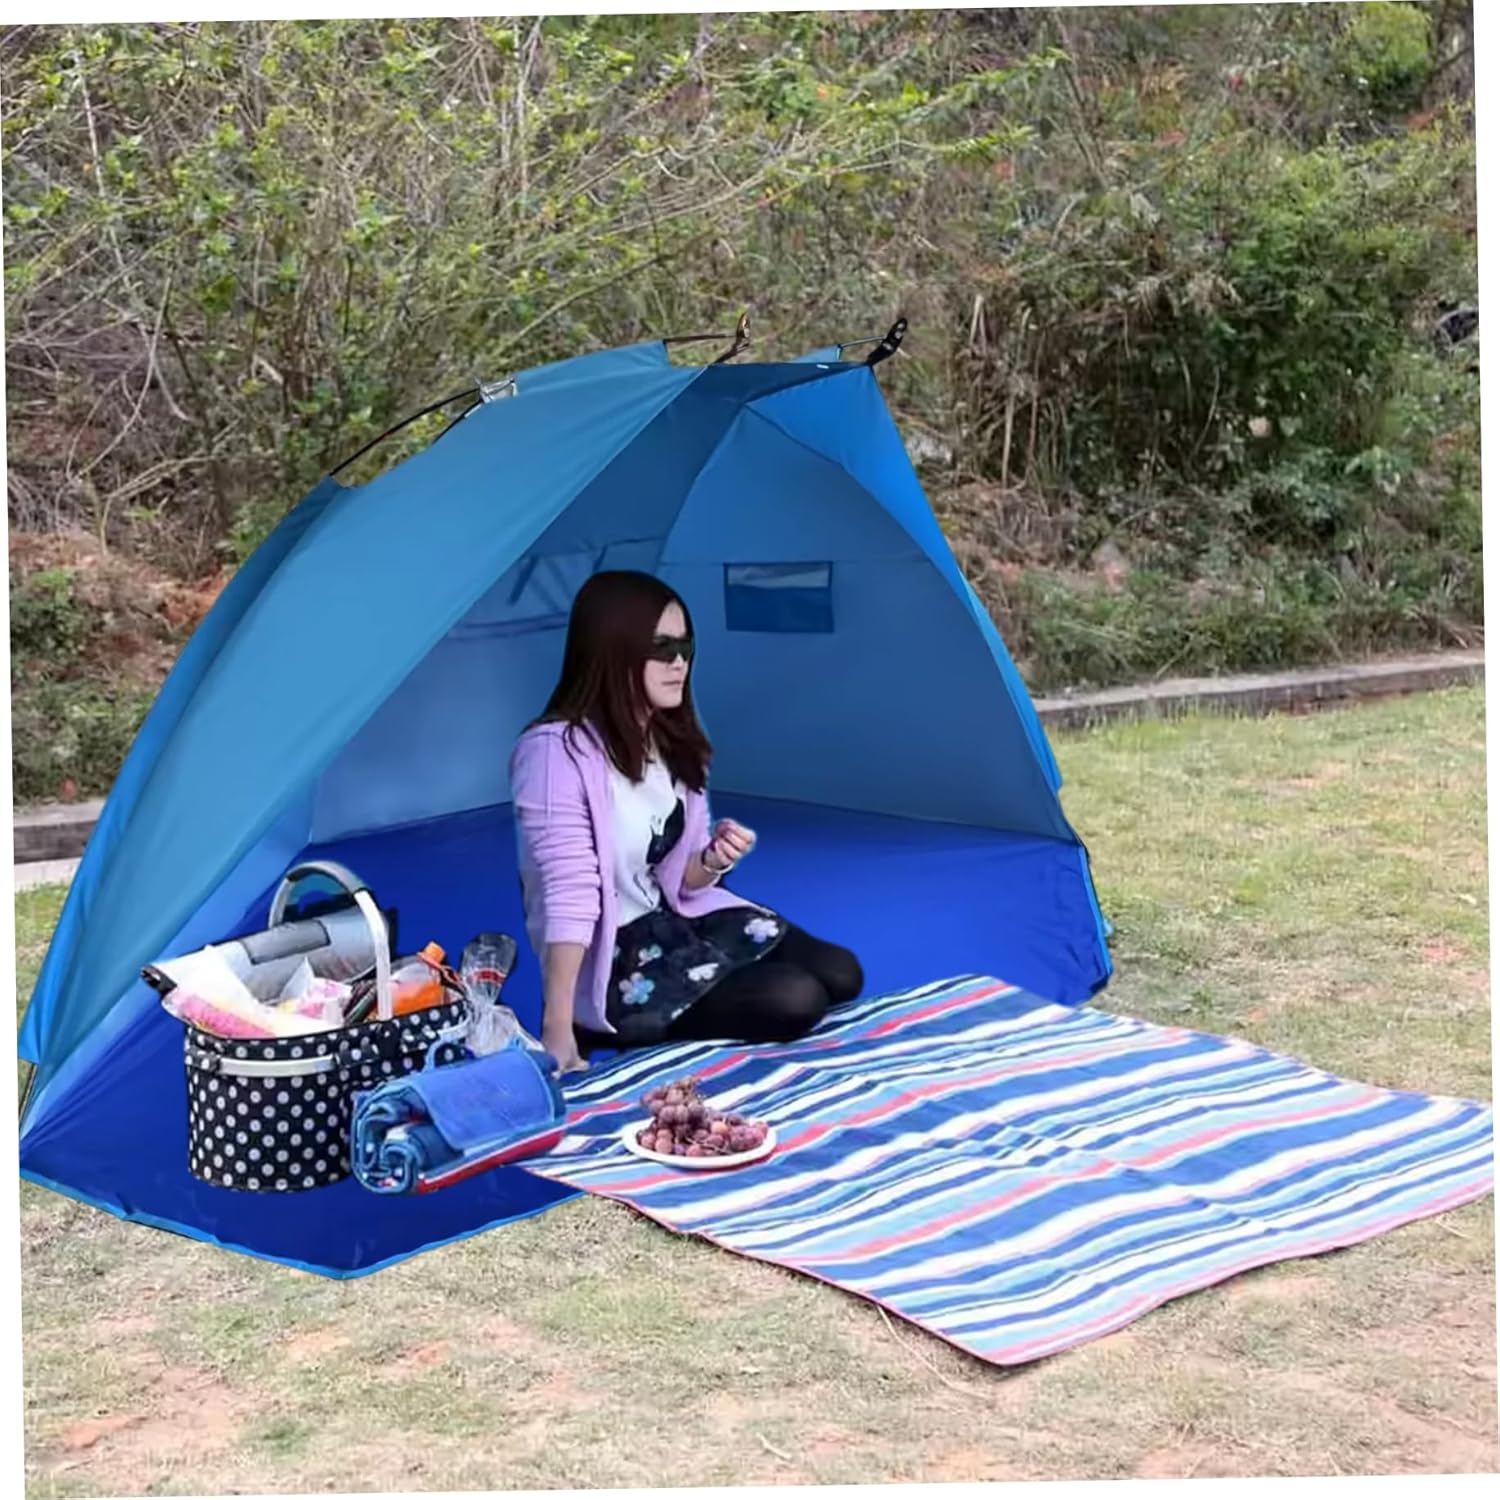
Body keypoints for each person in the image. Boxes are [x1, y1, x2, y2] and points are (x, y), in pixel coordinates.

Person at [510, 570, 863, 1073]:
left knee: (842, 973)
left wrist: (713, 860)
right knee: (795, 999)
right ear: (611, 648)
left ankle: (708, 985)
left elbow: (682, 879)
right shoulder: (555, 753)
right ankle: (607, 1025)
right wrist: (559, 1024)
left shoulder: (671, 738)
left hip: (677, 921)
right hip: (618, 960)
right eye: (661, 647)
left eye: (685, 645)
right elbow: (566, 891)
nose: (680, 662)